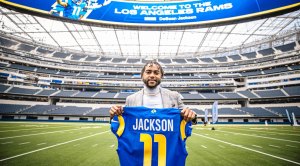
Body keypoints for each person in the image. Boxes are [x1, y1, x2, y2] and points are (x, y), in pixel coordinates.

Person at [109, 60, 197, 124]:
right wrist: (114, 114)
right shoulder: (131, 99)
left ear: (161, 76)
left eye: (156, 73)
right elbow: (122, 122)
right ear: (142, 75)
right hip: (140, 148)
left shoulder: (174, 96)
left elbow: (190, 118)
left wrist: (192, 116)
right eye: (148, 72)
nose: (152, 75)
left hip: (167, 148)